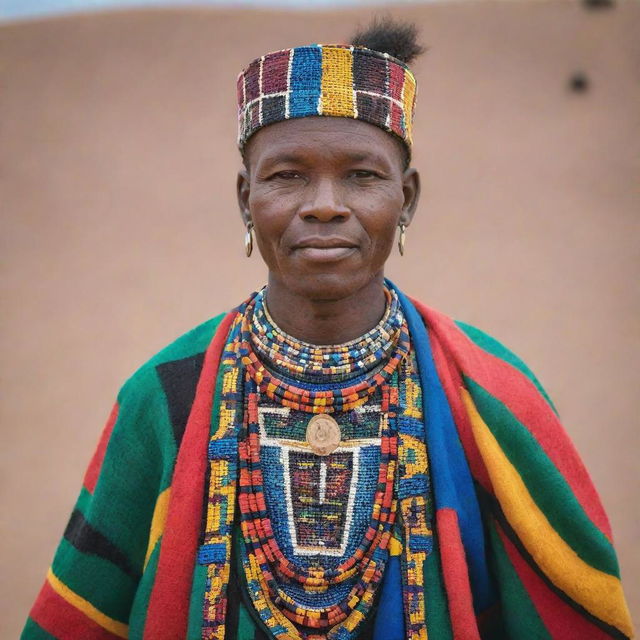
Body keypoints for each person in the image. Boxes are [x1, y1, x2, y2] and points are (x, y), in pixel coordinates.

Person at [22, 20, 633, 640]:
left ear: (408, 199)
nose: (323, 204)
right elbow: (79, 617)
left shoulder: (489, 397)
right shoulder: (162, 397)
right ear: (244, 198)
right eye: (287, 175)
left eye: (362, 176)